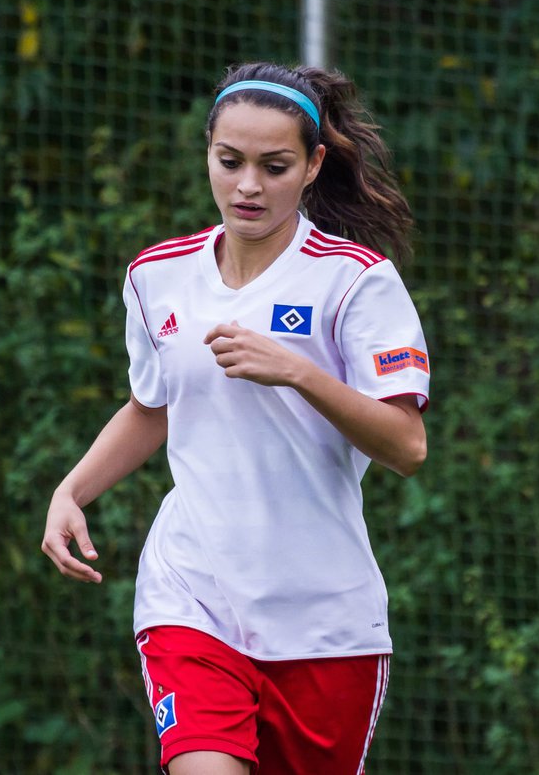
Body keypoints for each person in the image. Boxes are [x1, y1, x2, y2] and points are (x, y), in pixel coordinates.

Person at [40, 61, 431, 775]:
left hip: (325, 623)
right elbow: (150, 408)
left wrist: (298, 371)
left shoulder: (356, 281)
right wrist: (71, 491)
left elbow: (407, 446)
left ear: (313, 166)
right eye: (231, 162)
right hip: (193, 593)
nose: (248, 185)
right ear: (208, 156)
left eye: (273, 166)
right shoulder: (156, 276)